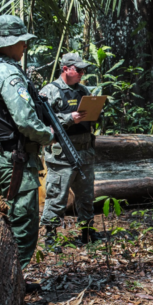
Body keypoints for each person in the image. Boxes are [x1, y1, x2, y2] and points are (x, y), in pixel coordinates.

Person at [0, 15, 54, 291]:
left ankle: (12, 282)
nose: (24, 47)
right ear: (11, 43)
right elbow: (26, 121)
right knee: (23, 223)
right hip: (15, 158)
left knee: (15, 216)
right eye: (21, 42)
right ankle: (11, 289)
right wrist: (47, 135)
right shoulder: (7, 73)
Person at [39, 53, 101, 245]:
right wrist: (68, 118)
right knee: (57, 195)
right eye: (79, 70)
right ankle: (50, 235)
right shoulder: (49, 91)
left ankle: (87, 230)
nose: (83, 73)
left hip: (85, 152)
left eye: (84, 70)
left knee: (86, 195)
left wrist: (97, 111)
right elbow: (40, 122)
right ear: (65, 69)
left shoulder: (84, 91)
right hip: (62, 154)